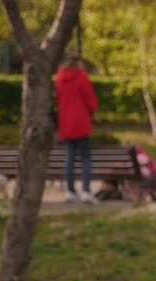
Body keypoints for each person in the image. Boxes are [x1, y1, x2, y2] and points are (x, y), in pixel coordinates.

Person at [55, 53, 99, 203]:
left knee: (69, 159)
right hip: (81, 123)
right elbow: (91, 101)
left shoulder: (59, 78)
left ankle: (70, 191)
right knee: (85, 158)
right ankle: (86, 191)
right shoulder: (81, 77)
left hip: (65, 124)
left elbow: (57, 99)